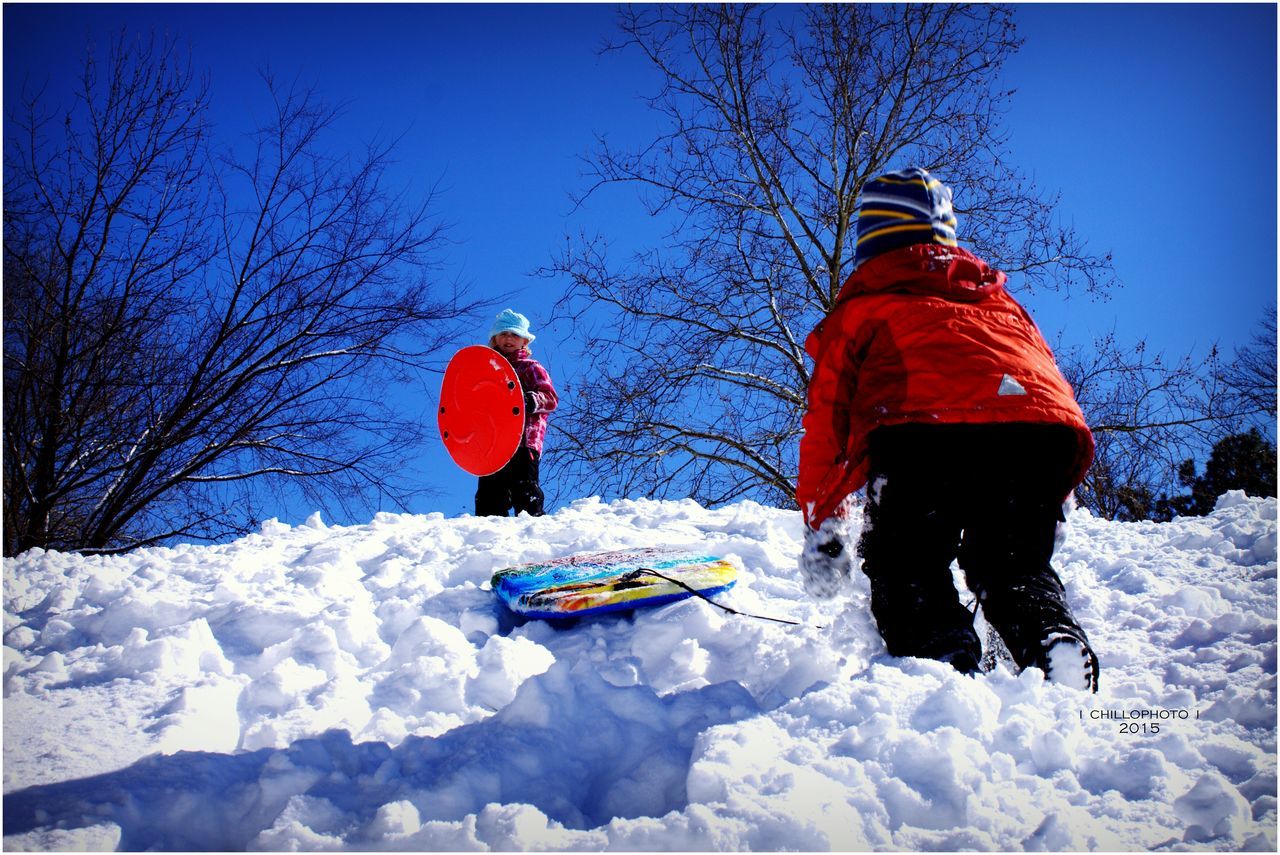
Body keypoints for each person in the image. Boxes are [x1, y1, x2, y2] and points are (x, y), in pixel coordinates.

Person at [796, 166, 1100, 692]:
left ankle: (944, 664)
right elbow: (1046, 385)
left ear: (871, 242)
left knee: (906, 561)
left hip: (923, 435)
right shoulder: (1000, 302)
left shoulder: (865, 306)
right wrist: (1056, 494)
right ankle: (1049, 637)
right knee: (1012, 563)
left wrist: (823, 522)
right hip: (1035, 438)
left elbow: (827, 418)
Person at [476, 309, 558, 517]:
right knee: (490, 494)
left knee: (525, 489)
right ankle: (488, 532)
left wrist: (530, 400)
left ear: (524, 341)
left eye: (514, 334)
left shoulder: (530, 367)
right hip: (494, 444)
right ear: (494, 339)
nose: (508, 338)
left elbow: (550, 399)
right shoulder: (487, 374)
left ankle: (532, 527)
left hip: (524, 442)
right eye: (503, 334)